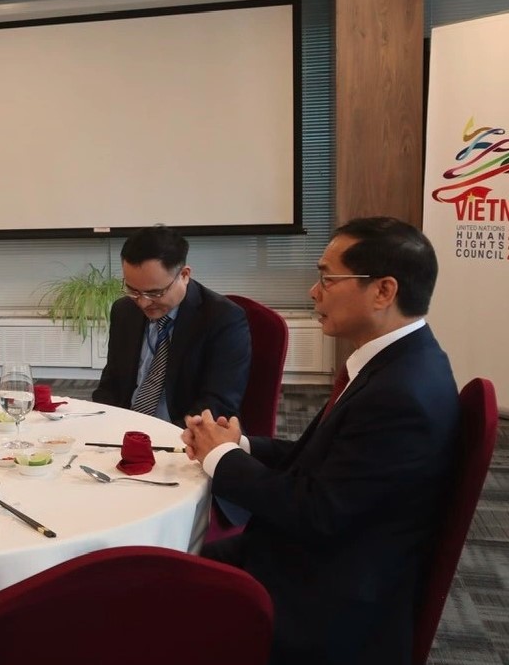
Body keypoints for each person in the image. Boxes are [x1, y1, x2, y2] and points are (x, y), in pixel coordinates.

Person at [183, 217, 459, 665]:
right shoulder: (400, 362)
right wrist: (242, 445)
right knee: (165, 560)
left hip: (324, 601)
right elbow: (328, 462)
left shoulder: (401, 394)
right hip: (311, 557)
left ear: (383, 291)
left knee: (146, 590)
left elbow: (316, 512)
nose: (314, 292)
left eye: (327, 279)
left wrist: (221, 457)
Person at [92, 225, 250, 426]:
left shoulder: (223, 318)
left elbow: (217, 403)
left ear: (184, 275)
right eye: (133, 290)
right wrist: (103, 423)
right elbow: (111, 383)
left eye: (155, 293)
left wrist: (162, 435)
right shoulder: (124, 310)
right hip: (125, 428)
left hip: (182, 433)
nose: (143, 303)